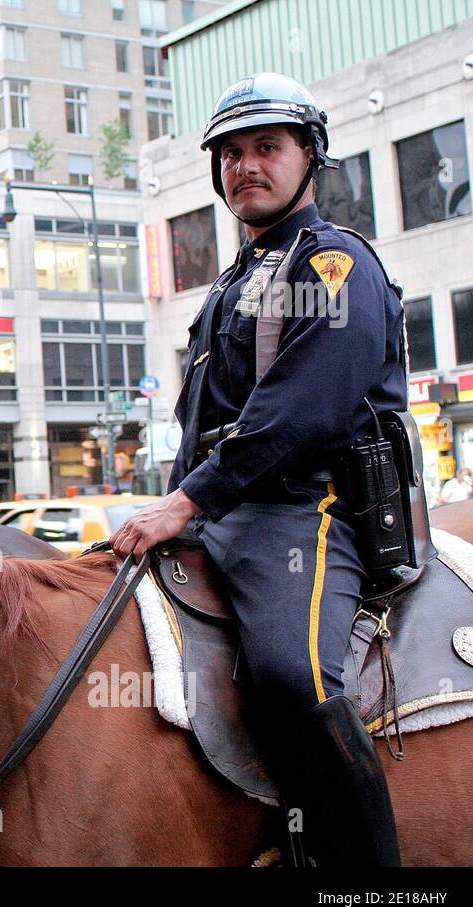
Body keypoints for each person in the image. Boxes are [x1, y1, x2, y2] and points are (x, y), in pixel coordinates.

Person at [109, 73, 409, 865]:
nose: (247, 166)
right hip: (223, 509)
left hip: (310, 508)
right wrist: (177, 503)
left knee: (289, 671)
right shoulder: (233, 284)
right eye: (232, 153)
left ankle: (371, 885)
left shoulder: (333, 265)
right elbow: (198, 425)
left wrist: (187, 501)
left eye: (267, 148)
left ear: (310, 156)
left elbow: (303, 414)